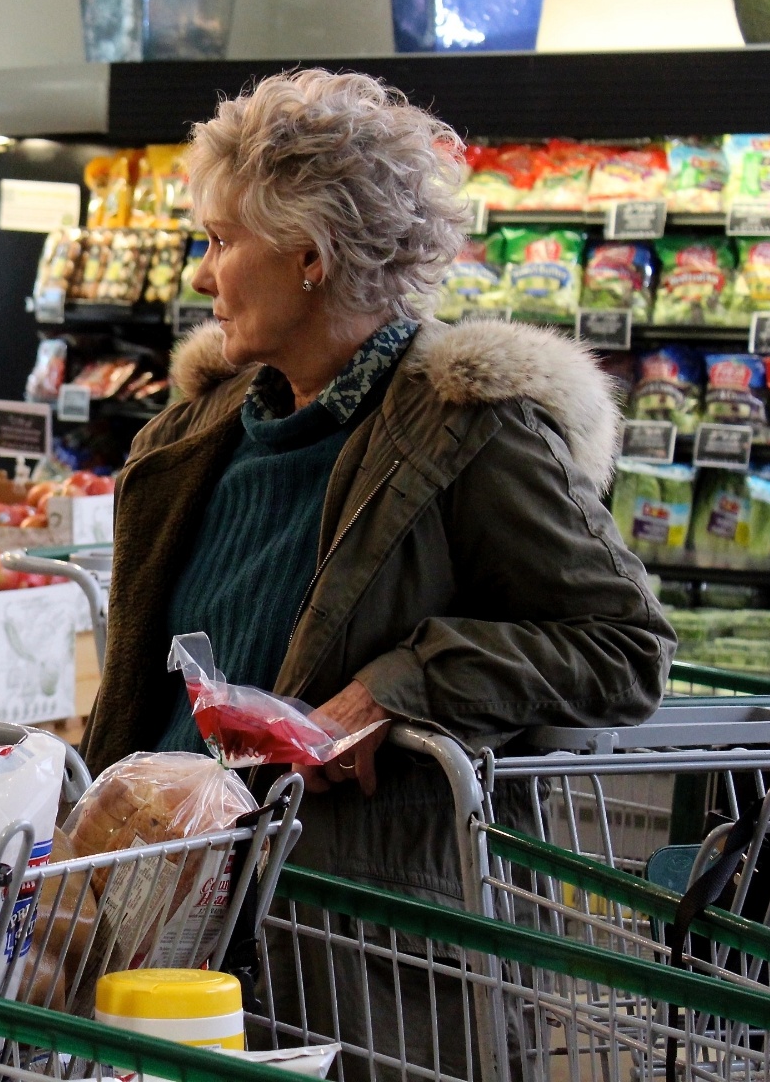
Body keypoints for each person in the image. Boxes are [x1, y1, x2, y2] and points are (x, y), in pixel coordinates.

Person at [86, 67, 672, 887]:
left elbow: (624, 647)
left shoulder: (470, 431)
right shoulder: (190, 437)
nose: (198, 276)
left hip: (343, 939)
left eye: (220, 242)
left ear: (311, 257)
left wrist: (401, 686)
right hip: (162, 901)